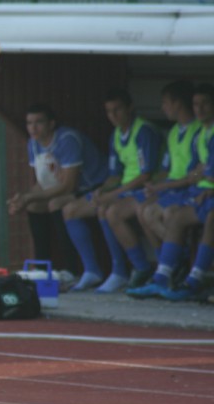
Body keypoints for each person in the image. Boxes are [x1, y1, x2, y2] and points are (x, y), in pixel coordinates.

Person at [61, 88, 162, 292]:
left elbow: (145, 175)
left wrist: (112, 194)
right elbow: (116, 174)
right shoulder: (115, 135)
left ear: (130, 108)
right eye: (109, 111)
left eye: (117, 110)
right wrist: (103, 189)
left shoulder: (144, 131)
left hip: (145, 190)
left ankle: (129, 270)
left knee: (107, 210)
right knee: (70, 209)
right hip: (124, 190)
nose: (113, 116)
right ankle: (92, 270)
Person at [104, 80, 199, 284]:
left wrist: (159, 185)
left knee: (158, 212)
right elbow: (165, 171)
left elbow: (195, 174)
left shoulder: (199, 131)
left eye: (165, 102)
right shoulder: (174, 132)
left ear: (178, 103)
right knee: (143, 209)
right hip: (171, 189)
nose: (162, 107)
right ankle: (167, 265)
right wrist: (155, 185)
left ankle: (173, 262)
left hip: (188, 190)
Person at [128, 83, 214, 300]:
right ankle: (163, 278)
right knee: (174, 217)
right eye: (197, 104)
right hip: (201, 192)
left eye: (205, 104)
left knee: (210, 219)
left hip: (205, 194)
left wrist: (202, 177)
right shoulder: (203, 133)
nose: (200, 109)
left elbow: (203, 174)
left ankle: (194, 279)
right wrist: (200, 176)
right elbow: (196, 172)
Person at [6, 103, 108, 269]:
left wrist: (28, 196)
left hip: (94, 185)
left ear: (51, 124)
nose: (33, 128)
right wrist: (22, 199)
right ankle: (41, 268)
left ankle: (71, 269)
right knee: (33, 205)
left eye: (38, 122)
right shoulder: (33, 143)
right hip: (73, 189)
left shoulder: (67, 139)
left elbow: (68, 186)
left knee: (56, 203)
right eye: (29, 123)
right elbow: (43, 184)